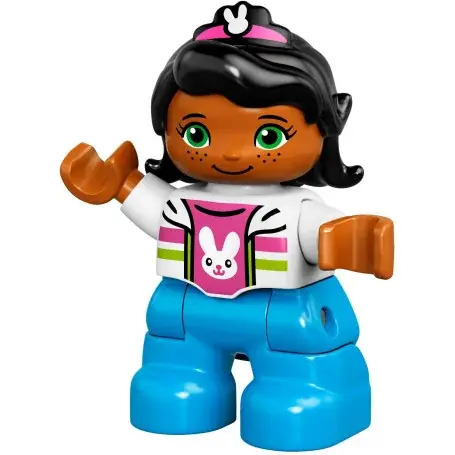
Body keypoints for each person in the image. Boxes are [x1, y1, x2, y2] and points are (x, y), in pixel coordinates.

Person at [60, 2, 394, 451]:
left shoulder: (297, 208)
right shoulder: (181, 202)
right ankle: (182, 377)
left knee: (295, 372)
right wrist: (119, 184)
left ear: (323, 131)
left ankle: (310, 389)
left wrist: (352, 238)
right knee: (174, 363)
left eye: (267, 136)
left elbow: (322, 232)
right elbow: (157, 215)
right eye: (196, 134)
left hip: (282, 313)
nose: (233, 154)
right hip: (187, 308)